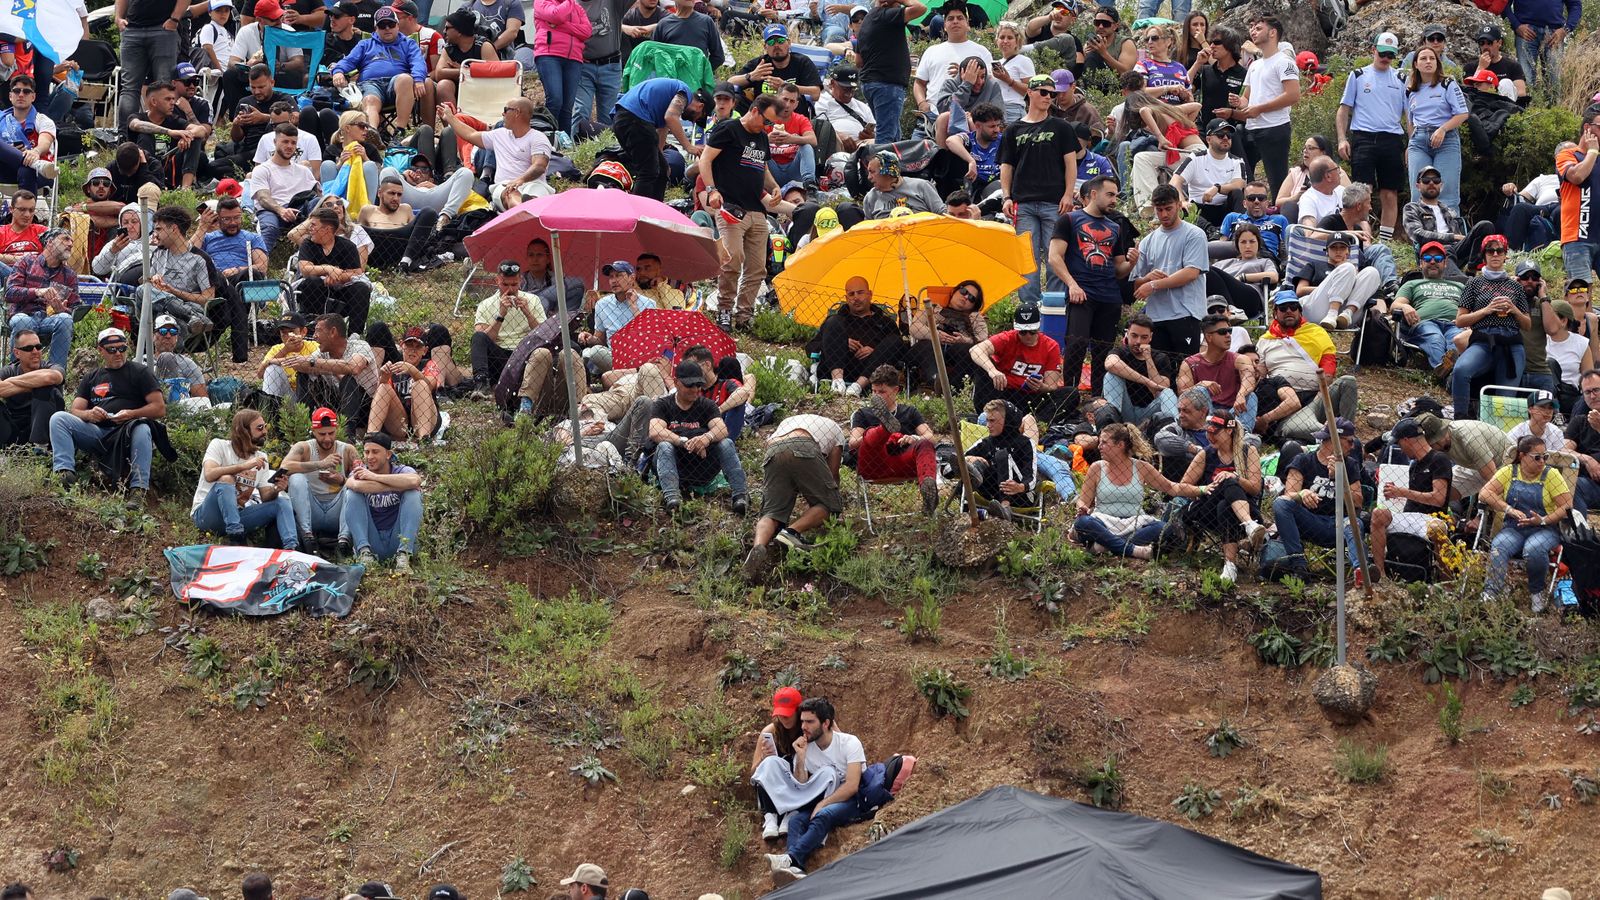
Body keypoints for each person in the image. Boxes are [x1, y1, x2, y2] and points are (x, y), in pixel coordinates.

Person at [48, 327, 165, 501]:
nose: (118, 353)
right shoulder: (91, 377)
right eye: (112, 349)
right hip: (98, 432)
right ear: (100, 350)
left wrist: (131, 414)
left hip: (128, 431)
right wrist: (89, 415)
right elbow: (76, 410)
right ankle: (65, 475)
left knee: (143, 428)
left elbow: (159, 408)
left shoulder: (140, 372)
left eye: (122, 348)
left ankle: (138, 489)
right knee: (58, 418)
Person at [763, 697, 871, 885]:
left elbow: (853, 785)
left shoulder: (849, 743)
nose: (803, 726)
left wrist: (822, 804)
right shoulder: (807, 747)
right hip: (825, 796)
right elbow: (801, 784)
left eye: (810, 722)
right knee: (796, 820)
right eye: (802, 721)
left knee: (824, 814)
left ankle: (790, 858)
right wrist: (802, 757)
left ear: (826, 723)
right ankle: (795, 869)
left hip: (854, 799)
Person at [701, 94, 783, 330]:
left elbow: (762, 167)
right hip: (731, 207)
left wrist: (774, 186)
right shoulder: (728, 129)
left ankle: (744, 315)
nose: (767, 127)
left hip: (756, 209)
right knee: (732, 259)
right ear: (755, 110)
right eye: (766, 121)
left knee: (757, 267)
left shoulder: (762, 137)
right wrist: (712, 190)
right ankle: (724, 310)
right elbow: (705, 160)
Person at [1049, 175, 1131, 394]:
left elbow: (1119, 269)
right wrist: (1072, 285)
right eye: (1110, 194)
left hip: (1110, 296)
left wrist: (1133, 262)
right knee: (1076, 345)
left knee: (1103, 351)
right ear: (1094, 194)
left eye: (1116, 195)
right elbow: (1054, 257)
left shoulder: (1116, 226)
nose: (1115, 200)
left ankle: (1098, 398)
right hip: (1081, 294)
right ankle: (1069, 397)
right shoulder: (1069, 220)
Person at [999, 73, 1076, 304]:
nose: (1048, 97)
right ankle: (1029, 310)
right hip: (1023, 203)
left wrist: (1068, 194)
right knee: (1027, 259)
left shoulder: (1062, 127)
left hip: (1055, 201)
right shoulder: (1013, 130)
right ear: (1029, 92)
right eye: (1043, 92)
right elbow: (1006, 165)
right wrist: (1006, 197)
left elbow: (1070, 163)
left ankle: (1054, 307)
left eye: (1052, 94)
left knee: (1055, 257)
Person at [1074, 422, 1201, 559]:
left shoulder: (1141, 467)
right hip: (1103, 522)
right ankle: (1135, 550)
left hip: (1135, 524)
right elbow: (1083, 501)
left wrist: (1202, 489)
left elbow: (1172, 487)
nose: (1099, 447)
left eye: (1104, 442)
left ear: (1120, 445)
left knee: (1166, 529)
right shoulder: (1097, 467)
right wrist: (1082, 507)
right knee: (1083, 523)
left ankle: (1106, 546)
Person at [742, 413, 846, 580]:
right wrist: (829, 497)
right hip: (804, 445)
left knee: (772, 511)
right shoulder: (838, 433)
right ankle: (791, 532)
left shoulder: (790, 420)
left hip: (773, 449)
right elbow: (833, 475)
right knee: (830, 504)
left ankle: (759, 545)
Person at [1481, 434, 1570, 608]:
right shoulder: (1509, 472)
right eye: (1537, 457)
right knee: (1499, 546)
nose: (1542, 461)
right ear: (1522, 456)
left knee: (1533, 549)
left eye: (1545, 456)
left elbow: (1566, 507)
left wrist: (1543, 520)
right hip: (1515, 528)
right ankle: (1491, 595)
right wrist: (1509, 509)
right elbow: (1485, 493)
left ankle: (1537, 593)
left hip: (1545, 529)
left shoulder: (1551, 475)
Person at [647, 360, 748, 514]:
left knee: (726, 443)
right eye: (690, 385)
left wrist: (706, 438)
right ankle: (672, 498)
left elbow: (721, 429)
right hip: (675, 463)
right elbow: (655, 431)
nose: (695, 389)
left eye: (698, 385)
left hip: (702, 465)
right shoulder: (663, 404)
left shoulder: (707, 405)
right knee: (664, 446)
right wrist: (684, 441)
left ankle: (740, 495)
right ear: (676, 382)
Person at [1176, 410, 1265, 584]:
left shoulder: (1249, 451)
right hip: (1207, 511)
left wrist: (1236, 478)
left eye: (1214, 432)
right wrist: (1203, 489)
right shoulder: (1205, 454)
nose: (1209, 436)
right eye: (1207, 432)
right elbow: (1182, 487)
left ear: (1229, 431)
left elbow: (1255, 488)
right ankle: (1249, 526)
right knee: (1226, 481)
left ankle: (1229, 567)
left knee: (1225, 505)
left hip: (1236, 510)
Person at [1254, 293, 1357, 443]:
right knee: (1302, 428)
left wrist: (1321, 395)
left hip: (1317, 396)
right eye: (1283, 308)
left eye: (1293, 307)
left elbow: (1329, 364)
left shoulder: (1316, 332)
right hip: (1285, 400)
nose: (1289, 311)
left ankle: (1347, 429)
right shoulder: (1265, 340)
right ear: (1275, 313)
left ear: (1300, 311)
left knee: (1348, 381)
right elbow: (1261, 374)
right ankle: (1341, 439)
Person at [191, 409, 299, 550]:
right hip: (207, 516)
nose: (265, 431)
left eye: (265, 426)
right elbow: (209, 474)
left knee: (281, 502)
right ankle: (236, 537)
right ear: (242, 431)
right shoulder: (219, 445)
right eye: (259, 428)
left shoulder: (261, 457)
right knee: (226, 479)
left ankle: (292, 550)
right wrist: (243, 466)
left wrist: (276, 489)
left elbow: (266, 497)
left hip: (238, 516)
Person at [1268, 416, 1363, 577]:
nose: (1353, 446)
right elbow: (1288, 495)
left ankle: (1360, 572)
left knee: (1356, 523)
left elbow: (1358, 502)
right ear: (1335, 440)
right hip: (1309, 520)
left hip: (1339, 523)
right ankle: (1299, 565)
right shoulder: (1303, 461)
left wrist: (1341, 479)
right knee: (1281, 504)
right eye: (1350, 441)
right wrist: (1301, 494)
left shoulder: (1350, 464)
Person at [1451, 234, 1532, 419]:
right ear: (1484, 255)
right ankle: (1460, 419)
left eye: (1499, 250)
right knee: (1461, 370)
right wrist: (1486, 310)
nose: (1495, 254)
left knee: (1505, 400)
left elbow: (1527, 324)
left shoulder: (1516, 287)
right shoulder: (1473, 283)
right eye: (1490, 250)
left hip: (1511, 345)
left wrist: (1514, 310)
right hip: (1483, 341)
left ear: (1505, 255)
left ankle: (1498, 437)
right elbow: (1460, 320)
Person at [1335, 33, 1406, 240]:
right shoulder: (1358, 76)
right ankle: (1361, 237)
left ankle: (1384, 240)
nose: (1385, 58)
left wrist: (1411, 145)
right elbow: (1344, 109)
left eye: (1390, 55)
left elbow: (1410, 115)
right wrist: (1342, 138)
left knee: (1389, 193)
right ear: (1373, 50)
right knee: (1362, 192)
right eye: (1382, 53)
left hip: (1391, 138)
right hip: (1364, 137)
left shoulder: (1401, 79)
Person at [1365, 416, 1451, 583]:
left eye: (1399, 443)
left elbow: (1438, 499)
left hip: (1431, 519)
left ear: (1407, 440)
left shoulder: (1439, 460)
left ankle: (1446, 582)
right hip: (1408, 517)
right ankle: (1380, 575)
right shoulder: (1415, 464)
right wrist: (1394, 495)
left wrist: (1402, 492)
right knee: (1378, 514)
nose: (1400, 449)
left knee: (1437, 528)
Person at [1132, 184, 1210, 362]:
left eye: (1168, 208)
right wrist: (1147, 278)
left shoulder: (1194, 234)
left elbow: (1191, 272)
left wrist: (1153, 284)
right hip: (1156, 316)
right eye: (1159, 210)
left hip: (1186, 313)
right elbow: (1136, 283)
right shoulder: (1147, 241)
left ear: (1178, 204)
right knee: (1161, 370)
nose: (1164, 215)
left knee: (1186, 368)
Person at [849, 365, 940, 513]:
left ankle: (929, 489)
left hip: (902, 462)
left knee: (924, 443)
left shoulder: (909, 412)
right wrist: (879, 435)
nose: (876, 396)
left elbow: (931, 438)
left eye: (882, 392)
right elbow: (853, 443)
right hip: (874, 463)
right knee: (871, 436)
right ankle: (884, 428)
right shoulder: (863, 413)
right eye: (874, 391)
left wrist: (914, 438)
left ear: (896, 391)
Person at [329, 6, 427, 139]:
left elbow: (418, 62)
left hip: (397, 86)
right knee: (369, 100)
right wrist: (338, 72)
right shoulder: (365, 44)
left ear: (397, 26)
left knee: (405, 79)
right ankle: (371, 135)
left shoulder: (408, 44)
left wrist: (419, 79)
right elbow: (348, 61)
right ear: (376, 28)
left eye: (391, 24)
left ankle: (399, 131)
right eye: (382, 25)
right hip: (371, 84)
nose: (387, 28)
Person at [191, 196, 269, 364]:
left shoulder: (252, 237)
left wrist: (237, 270)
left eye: (237, 217)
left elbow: (261, 267)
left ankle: (227, 350)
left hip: (240, 280)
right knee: (219, 280)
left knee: (251, 276)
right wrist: (202, 227)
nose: (233, 222)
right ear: (218, 218)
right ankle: (240, 355)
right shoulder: (209, 238)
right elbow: (188, 255)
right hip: (215, 282)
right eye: (227, 219)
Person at [440, 98, 553, 210]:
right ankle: (524, 211)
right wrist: (450, 117)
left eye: (506, 109)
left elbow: (539, 166)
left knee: (535, 195)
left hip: (534, 184)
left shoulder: (538, 138)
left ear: (517, 112)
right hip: (505, 185)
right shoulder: (500, 134)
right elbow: (470, 134)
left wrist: (520, 180)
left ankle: (529, 210)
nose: (502, 113)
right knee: (510, 194)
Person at [1234, 15, 1299, 199]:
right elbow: (1247, 98)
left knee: (1277, 180)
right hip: (1252, 127)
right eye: (1252, 28)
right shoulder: (1255, 65)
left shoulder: (1284, 61)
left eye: (1258, 28)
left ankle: (1281, 221)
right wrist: (1239, 103)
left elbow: (1293, 95)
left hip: (1274, 128)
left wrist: (1260, 108)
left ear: (1272, 32)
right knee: (1245, 175)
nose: (1253, 31)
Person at [287, 314, 379, 442]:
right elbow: (304, 363)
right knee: (303, 373)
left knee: (348, 379)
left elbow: (354, 367)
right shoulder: (322, 352)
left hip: (364, 407)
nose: (314, 336)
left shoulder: (359, 346)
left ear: (333, 332)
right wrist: (295, 359)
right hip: (335, 401)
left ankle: (347, 437)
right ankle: (303, 429)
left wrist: (314, 363)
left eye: (318, 331)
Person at [280, 406, 358, 554]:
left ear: (337, 428)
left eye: (331, 433)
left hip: (337, 509)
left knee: (353, 482)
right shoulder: (304, 447)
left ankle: (344, 541)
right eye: (322, 434)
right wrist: (320, 464)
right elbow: (284, 467)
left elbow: (363, 479)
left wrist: (342, 480)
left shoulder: (347, 450)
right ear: (313, 430)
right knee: (296, 478)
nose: (327, 438)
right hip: (311, 509)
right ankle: (306, 536)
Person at [1403, 46, 1470, 218]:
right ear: (1416, 64)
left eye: (1432, 58)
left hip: (1445, 140)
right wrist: (1409, 145)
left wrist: (1443, 129)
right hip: (1418, 141)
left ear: (1437, 62)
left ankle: (1450, 237)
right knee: (1419, 191)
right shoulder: (1410, 88)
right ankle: (1421, 238)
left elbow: (1463, 113)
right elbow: (1410, 120)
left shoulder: (1447, 83)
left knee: (1446, 192)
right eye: (1423, 59)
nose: (1428, 62)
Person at [809, 276, 904, 396]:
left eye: (860, 293)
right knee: (834, 321)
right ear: (846, 298)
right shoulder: (835, 321)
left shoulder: (885, 323)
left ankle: (857, 387)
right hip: (837, 368)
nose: (856, 298)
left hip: (871, 373)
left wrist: (876, 351)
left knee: (895, 340)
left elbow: (898, 349)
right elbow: (811, 347)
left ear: (870, 294)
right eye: (851, 294)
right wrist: (840, 343)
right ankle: (838, 383)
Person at [345, 431, 423, 573]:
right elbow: (354, 484)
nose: (370, 457)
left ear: (388, 454)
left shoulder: (402, 470)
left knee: (413, 493)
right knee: (352, 495)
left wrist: (374, 477)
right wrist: (395, 484)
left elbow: (414, 480)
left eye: (375, 452)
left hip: (397, 539)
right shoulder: (360, 472)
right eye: (367, 452)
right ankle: (365, 555)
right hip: (372, 541)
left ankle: (404, 556)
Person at [6, 228, 77, 372]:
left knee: (65, 319)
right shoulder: (26, 262)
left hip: (49, 319)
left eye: (71, 241)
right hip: (23, 314)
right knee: (23, 321)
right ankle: (15, 375)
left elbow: (75, 307)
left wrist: (63, 310)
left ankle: (55, 376)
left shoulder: (69, 275)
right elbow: (10, 293)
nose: (70, 244)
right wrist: (37, 292)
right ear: (50, 242)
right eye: (65, 239)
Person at [854, 0, 923, 142]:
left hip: (871, 83)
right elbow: (920, 8)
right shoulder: (887, 15)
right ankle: (881, 164)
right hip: (887, 85)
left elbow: (858, 61)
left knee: (894, 138)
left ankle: (893, 164)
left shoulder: (868, 19)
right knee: (886, 138)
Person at [471, 260, 546, 393]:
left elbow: (544, 334)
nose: (510, 289)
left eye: (514, 284)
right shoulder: (485, 304)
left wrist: (528, 313)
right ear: (497, 281)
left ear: (520, 281)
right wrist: (500, 315)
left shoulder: (533, 300)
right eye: (505, 284)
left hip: (525, 353)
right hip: (499, 355)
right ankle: (481, 384)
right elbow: (483, 339)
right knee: (478, 337)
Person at [1392, 242, 1465, 376]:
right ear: (1421, 263)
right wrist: (1405, 306)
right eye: (1427, 259)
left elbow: (1471, 308)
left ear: (1445, 263)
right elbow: (1395, 305)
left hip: (1454, 324)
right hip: (1425, 323)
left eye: (1437, 259)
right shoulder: (1412, 284)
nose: (1432, 262)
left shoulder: (1459, 286)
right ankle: (1449, 374)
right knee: (1435, 338)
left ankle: (1447, 373)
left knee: (1455, 341)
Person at [296, 206, 372, 335]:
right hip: (316, 291)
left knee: (361, 288)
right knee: (312, 281)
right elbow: (305, 269)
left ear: (327, 229)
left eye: (314, 225)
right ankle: (311, 330)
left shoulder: (347, 246)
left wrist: (338, 276)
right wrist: (328, 269)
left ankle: (354, 336)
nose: (310, 228)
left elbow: (356, 272)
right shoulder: (308, 244)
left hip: (342, 291)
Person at [1403, 166, 1490, 275]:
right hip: (1432, 253)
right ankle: (1459, 279)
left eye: (1436, 180)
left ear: (1441, 185)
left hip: (1456, 249)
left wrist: (1459, 238)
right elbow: (1417, 234)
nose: (1431, 183)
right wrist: (1451, 237)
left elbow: (1459, 237)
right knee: (1446, 248)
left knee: (1485, 226)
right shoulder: (1412, 208)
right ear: (1418, 186)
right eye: (1426, 180)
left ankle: (1471, 269)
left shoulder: (1448, 211)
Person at [1098, 314, 1179, 430]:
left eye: (1144, 337)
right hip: (1125, 409)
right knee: (1111, 376)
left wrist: (1148, 358)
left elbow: (1162, 387)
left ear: (1150, 337)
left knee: (1167, 393)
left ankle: (1175, 431)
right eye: (1134, 336)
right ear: (1127, 334)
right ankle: (1112, 427)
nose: (1138, 341)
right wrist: (1147, 382)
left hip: (1151, 412)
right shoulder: (1120, 351)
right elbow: (1111, 364)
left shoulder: (1160, 357)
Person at [246, 124, 321, 251]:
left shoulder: (304, 171)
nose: (290, 146)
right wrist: (281, 210)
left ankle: (315, 257)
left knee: (321, 207)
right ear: (275, 142)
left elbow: (318, 196)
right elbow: (263, 197)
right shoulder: (262, 169)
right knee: (270, 228)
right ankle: (260, 266)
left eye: (293, 143)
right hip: (272, 211)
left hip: (300, 210)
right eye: (285, 142)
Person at [750, 686, 808, 840]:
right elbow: (754, 772)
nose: (784, 719)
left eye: (788, 714)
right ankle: (770, 817)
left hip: (798, 787)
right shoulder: (769, 732)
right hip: (774, 791)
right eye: (781, 714)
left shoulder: (807, 728)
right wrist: (763, 757)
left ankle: (791, 813)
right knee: (769, 763)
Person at [1179, 312, 1256, 428]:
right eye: (1222, 332)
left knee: (1251, 395)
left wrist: (1241, 394)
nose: (1228, 335)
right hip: (1205, 415)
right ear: (1209, 337)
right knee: (1200, 390)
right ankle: (1211, 429)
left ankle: (1242, 434)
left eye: (1229, 331)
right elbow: (1182, 393)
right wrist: (1201, 385)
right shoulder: (1190, 363)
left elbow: (1249, 378)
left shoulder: (1240, 359)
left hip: (1232, 412)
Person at [963, 398, 1037, 518]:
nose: (988, 425)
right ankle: (950, 475)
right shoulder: (987, 442)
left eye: (992, 421)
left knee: (1002, 455)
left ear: (1007, 421)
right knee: (976, 463)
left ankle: (1005, 506)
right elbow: (961, 457)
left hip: (1020, 495)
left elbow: (1032, 477)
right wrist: (970, 458)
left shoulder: (1025, 443)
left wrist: (1020, 487)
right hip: (991, 493)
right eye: (987, 421)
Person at [1292, 231, 1381, 330]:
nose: (1338, 251)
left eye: (1342, 248)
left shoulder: (1354, 271)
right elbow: (1300, 291)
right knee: (1347, 267)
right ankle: (1332, 313)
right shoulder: (1314, 265)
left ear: (1348, 251)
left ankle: (1348, 312)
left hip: (1346, 315)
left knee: (1372, 271)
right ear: (1327, 251)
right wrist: (1333, 286)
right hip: (1317, 309)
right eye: (1333, 247)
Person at [579, 259, 656, 374]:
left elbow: (648, 338)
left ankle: (626, 373)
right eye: (611, 277)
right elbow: (600, 340)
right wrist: (589, 338)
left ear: (632, 278)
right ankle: (628, 373)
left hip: (638, 355)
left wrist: (634, 306)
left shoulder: (649, 303)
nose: (614, 281)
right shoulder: (602, 304)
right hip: (613, 355)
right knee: (591, 352)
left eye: (619, 275)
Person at [357, 176, 446, 273]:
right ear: (380, 193)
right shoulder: (367, 210)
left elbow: (417, 235)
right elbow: (358, 237)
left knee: (428, 212)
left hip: (401, 251)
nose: (396, 198)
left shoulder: (405, 209)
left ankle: (404, 263)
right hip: (376, 251)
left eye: (399, 195)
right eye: (391, 193)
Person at [368, 327, 442, 442]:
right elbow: (381, 398)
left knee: (420, 384)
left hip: (426, 419)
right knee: (383, 387)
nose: (413, 350)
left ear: (425, 350)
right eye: (409, 346)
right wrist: (384, 377)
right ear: (402, 346)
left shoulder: (429, 364)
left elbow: (430, 385)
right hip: (401, 423)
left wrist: (413, 371)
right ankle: (371, 436)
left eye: (418, 347)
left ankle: (424, 440)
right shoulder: (395, 367)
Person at [531, 0, 593, 137]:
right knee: (555, 100)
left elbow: (587, 31)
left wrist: (561, 26)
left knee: (567, 107)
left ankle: (564, 145)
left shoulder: (576, 7)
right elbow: (556, 15)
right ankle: (548, 139)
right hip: (549, 55)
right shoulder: (542, 2)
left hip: (574, 59)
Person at [1171, 120, 1244, 228]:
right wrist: (1182, 201)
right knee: (1182, 207)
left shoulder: (1237, 161)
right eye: (1220, 135)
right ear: (1208, 139)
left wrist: (1217, 188)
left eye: (1228, 135)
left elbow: (1239, 185)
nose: (1225, 138)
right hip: (1200, 209)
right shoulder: (1196, 158)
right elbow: (1174, 182)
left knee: (1237, 193)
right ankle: (1210, 232)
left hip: (1225, 208)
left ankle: (1239, 228)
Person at [0, 328, 63, 448]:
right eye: (28, 348)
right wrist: (33, 384)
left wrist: (10, 383)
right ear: (17, 353)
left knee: (45, 389)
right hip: (16, 426)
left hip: (45, 426)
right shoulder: (9, 370)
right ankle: (7, 448)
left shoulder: (50, 366)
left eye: (38, 347)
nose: (35, 351)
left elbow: (50, 378)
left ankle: (41, 448)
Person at [1557, 109, 1600, 282]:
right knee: (1581, 295)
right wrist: (1592, 152)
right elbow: (1576, 176)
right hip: (1577, 237)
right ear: (1587, 128)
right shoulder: (1567, 154)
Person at [0, 75, 58, 193]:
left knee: (26, 169)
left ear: (33, 97)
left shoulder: (43, 120)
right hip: (6, 168)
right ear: (10, 96)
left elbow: (45, 142)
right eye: (16, 91)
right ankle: (35, 164)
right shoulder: (2, 119)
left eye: (26, 91)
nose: (21, 95)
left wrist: (35, 152)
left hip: (40, 174)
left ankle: (27, 211)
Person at [1507, 0, 1577, 93]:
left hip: (1554, 34)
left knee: (1554, 84)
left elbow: (1575, 4)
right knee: (1526, 83)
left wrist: (1566, 29)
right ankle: (1526, 107)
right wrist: (1516, 26)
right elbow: (1503, 4)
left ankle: (1554, 107)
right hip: (1525, 33)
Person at [860, 150, 945, 218]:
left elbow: (943, 214)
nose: (869, 177)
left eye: (872, 172)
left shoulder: (922, 186)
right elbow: (868, 227)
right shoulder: (870, 198)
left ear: (888, 172)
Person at [766, 83, 817, 188]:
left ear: (796, 104)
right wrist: (767, 139)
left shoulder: (801, 119)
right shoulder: (766, 117)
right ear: (777, 98)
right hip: (770, 171)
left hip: (794, 170)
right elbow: (750, 141)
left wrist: (791, 139)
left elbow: (813, 140)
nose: (787, 104)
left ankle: (810, 186)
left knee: (806, 146)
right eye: (785, 99)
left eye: (792, 101)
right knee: (759, 149)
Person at [815, 66, 875, 153]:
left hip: (862, 145)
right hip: (835, 147)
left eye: (852, 88)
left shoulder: (862, 107)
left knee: (880, 144)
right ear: (832, 83)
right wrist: (836, 134)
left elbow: (876, 134)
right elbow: (818, 128)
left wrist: (871, 135)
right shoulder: (822, 102)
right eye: (845, 88)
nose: (849, 93)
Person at [1276, 135, 1346, 208]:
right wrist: (1295, 198)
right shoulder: (1296, 173)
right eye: (1304, 148)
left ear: (1323, 152)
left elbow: (1352, 197)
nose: (1305, 151)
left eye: (1310, 148)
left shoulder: (1337, 172)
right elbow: (1278, 202)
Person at [655, 0, 723, 68]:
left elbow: (718, 57)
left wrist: (702, 73)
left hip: (697, 77)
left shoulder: (706, 22)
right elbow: (654, 56)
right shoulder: (663, 24)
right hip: (670, 76)